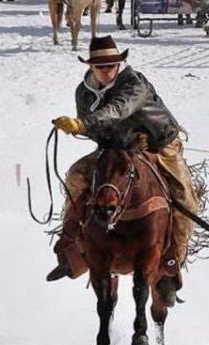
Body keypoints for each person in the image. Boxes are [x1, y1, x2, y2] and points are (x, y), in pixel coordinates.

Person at [47, 36, 200, 302]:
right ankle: (70, 248)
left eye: (111, 65)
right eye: (100, 66)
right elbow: (97, 128)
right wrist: (86, 129)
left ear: (120, 64)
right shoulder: (82, 93)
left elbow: (119, 109)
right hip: (115, 147)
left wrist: (81, 124)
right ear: (91, 67)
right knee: (75, 177)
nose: (106, 71)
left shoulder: (134, 83)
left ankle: (171, 264)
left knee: (186, 199)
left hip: (158, 144)